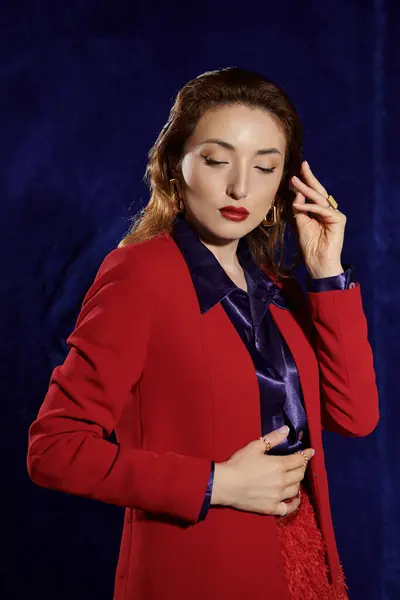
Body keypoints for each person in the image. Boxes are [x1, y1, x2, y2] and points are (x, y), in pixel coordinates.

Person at [27, 67, 379, 600]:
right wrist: (215, 483)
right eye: (217, 161)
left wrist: (327, 272)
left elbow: (356, 417)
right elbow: (54, 449)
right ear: (174, 166)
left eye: (265, 168)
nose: (240, 186)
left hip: (305, 573)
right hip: (201, 573)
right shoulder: (138, 275)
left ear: (284, 187)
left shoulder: (278, 287)